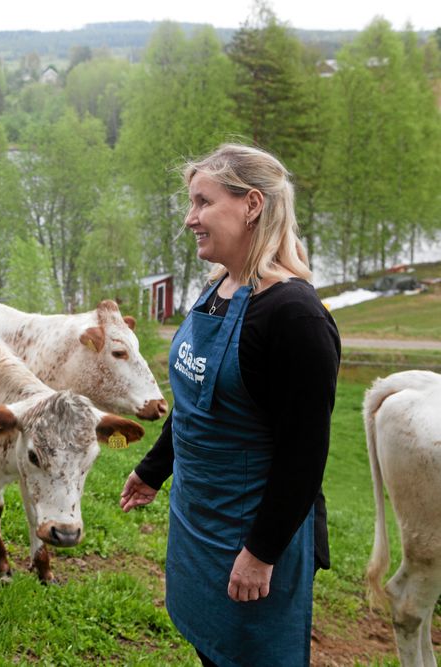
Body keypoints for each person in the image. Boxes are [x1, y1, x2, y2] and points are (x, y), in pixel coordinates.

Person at [119, 144, 340, 667]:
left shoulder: (294, 317)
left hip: (253, 532)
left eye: (202, 202)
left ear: (251, 205)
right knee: (211, 650)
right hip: (201, 518)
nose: (190, 218)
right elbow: (197, 400)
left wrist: (261, 555)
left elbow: (304, 456)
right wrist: (155, 468)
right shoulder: (220, 285)